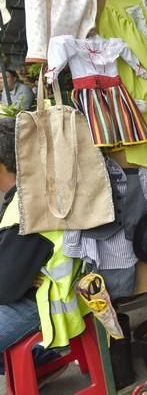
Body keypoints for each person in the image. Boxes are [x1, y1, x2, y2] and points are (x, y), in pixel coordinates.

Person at [0, 117, 82, 384]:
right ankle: (38, 361)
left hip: (44, 301)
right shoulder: (32, 191)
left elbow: (5, 287)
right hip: (32, 288)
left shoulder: (28, 209)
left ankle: (39, 360)